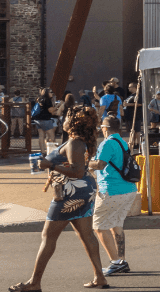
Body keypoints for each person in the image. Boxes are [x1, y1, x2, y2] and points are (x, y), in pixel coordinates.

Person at [10, 105, 108, 291]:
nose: (62, 120)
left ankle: (34, 283)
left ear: (72, 122)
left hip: (70, 191)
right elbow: (78, 168)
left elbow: (77, 171)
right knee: (86, 235)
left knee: (48, 237)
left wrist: (50, 165)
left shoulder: (74, 143)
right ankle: (100, 277)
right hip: (83, 190)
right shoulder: (80, 141)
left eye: (66, 117)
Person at [88, 116, 140, 277]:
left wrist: (85, 162)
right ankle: (121, 260)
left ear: (105, 128)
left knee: (99, 227)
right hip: (128, 189)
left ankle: (116, 262)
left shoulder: (107, 143)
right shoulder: (122, 143)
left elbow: (100, 164)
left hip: (111, 190)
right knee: (116, 224)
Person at [31, 89, 58, 155]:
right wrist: (58, 106)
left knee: (41, 136)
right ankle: (52, 152)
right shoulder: (47, 100)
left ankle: (43, 152)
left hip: (38, 120)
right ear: (47, 93)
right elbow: (51, 110)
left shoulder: (39, 99)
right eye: (51, 92)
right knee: (52, 136)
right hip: (46, 120)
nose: (52, 93)